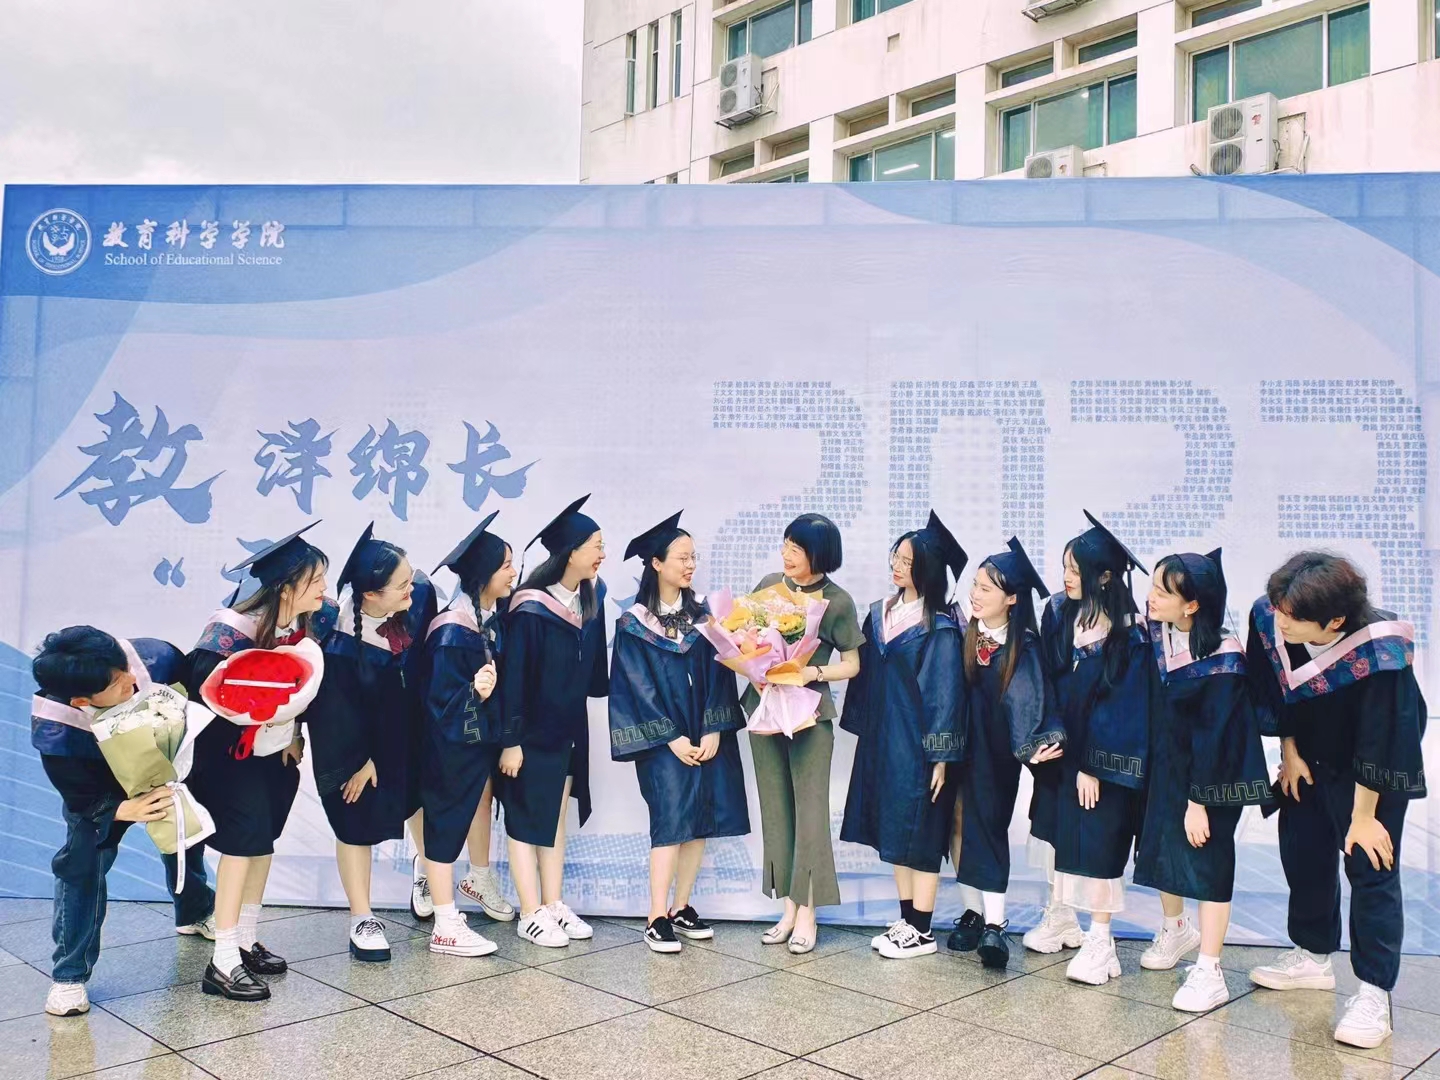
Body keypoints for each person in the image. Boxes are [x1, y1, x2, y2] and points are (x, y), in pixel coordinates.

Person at [1244, 552, 1426, 1049]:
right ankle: (1312, 955)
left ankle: (1374, 992)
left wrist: (1363, 816)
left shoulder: (1381, 651)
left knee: (1369, 865)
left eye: (1292, 617)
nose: (1280, 621)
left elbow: (1383, 735)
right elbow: (1273, 688)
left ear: (1335, 622)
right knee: (1303, 850)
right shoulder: (1269, 616)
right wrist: (1289, 751)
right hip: (1308, 751)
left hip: (1372, 766)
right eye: (1279, 608)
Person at [30, 627, 216, 1017]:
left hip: (162, 766)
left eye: (124, 668)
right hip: (102, 790)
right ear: (82, 701)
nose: (131, 679)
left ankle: (196, 912)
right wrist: (121, 809)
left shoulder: (156, 658)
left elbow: (196, 697)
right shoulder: (56, 727)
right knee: (82, 865)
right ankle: (69, 975)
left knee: (184, 836)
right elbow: (77, 792)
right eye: (117, 683)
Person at [186, 524, 336, 1001]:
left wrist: (292, 731)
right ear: (286, 587)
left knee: (263, 842)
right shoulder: (230, 629)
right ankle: (222, 959)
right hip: (229, 757)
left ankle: (245, 939)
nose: (324, 588)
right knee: (242, 845)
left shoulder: (305, 626)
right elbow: (206, 693)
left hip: (275, 753)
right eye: (315, 580)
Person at [1134, 550, 1271, 1011]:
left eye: (1162, 591)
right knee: (1164, 849)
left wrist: (1199, 802)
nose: (1150, 597)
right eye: (1153, 586)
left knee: (1209, 863)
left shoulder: (1224, 658)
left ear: (1192, 605)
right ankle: (1176, 930)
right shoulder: (1161, 636)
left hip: (1213, 779)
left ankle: (1210, 969)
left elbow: (1215, 736)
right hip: (1170, 768)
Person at [609, 511, 749, 954]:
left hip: (703, 733)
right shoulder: (634, 624)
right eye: (682, 558)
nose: (690, 565)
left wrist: (713, 730)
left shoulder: (705, 616)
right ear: (656, 563)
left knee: (699, 819)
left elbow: (721, 674)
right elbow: (636, 687)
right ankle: (656, 917)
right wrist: (671, 737)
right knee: (670, 823)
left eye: (694, 558)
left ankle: (681, 907)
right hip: (662, 740)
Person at [1027, 512, 1150, 987]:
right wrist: (1047, 735)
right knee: (1056, 830)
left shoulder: (1130, 632)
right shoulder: (1061, 612)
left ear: (1104, 576)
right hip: (1063, 746)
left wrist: (1094, 765)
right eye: (1064, 567)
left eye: (1075, 570)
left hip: (1102, 759)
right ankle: (1062, 916)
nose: (1066, 577)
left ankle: (1102, 941)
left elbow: (1124, 705)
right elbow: (1047, 679)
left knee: (1100, 841)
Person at [306, 524, 437, 962]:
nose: (411, 589)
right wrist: (366, 759)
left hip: (407, 731)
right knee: (354, 822)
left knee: (420, 801)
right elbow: (336, 716)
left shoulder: (417, 600)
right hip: (355, 748)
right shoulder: (339, 641)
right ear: (369, 595)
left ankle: (428, 872)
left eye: (411, 578)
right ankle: (361, 917)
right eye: (401, 585)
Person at [841, 512, 965, 959]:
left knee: (921, 834)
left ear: (927, 570)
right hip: (883, 740)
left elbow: (945, 693)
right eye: (897, 557)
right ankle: (906, 919)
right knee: (893, 831)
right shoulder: (880, 613)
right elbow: (865, 678)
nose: (898, 567)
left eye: (908, 562)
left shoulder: (941, 627)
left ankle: (923, 929)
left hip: (918, 745)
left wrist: (941, 756)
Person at [744, 512, 864, 955]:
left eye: (796, 548)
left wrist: (811, 672)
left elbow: (852, 664)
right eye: (786, 545)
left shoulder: (838, 601)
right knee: (776, 809)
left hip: (810, 715)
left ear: (820, 554)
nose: (787, 554)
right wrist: (756, 672)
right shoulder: (769, 586)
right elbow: (746, 642)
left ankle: (808, 911)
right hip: (765, 712)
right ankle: (788, 910)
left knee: (810, 813)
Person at [499, 495, 609, 949]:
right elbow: (513, 678)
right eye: (596, 546)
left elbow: (595, 676)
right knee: (525, 819)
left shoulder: (592, 597)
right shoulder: (529, 607)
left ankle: (552, 902)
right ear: (570, 552)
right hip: (529, 732)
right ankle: (530, 912)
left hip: (568, 729)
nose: (602, 554)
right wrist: (511, 740)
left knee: (555, 818)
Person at [947, 537, 1059, 970]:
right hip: (960, 745)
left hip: (996, 754)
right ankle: (972, 913)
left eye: (986, 588)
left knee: (988, 825)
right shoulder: (964, 632)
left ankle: (995, 924)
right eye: (975, 585)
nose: (975, 595)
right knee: (955, 824)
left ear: (1012, 599)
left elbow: (1031, 700)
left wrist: (1031, 746)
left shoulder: (1023, 645)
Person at [420, 510, 516, 957]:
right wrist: (473, 692)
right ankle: (444, 924)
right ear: (483, 575)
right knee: (443, 827)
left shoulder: (490, 618)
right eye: (505, 566)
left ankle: (468, 889)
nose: (513, 573)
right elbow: (438, 702)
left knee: (471, 812)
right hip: (449, 749)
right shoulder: (451, 629)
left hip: (475, 746)